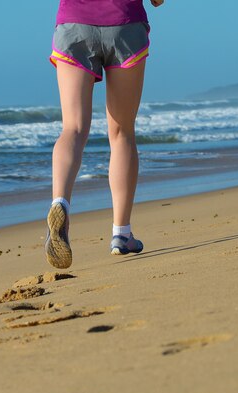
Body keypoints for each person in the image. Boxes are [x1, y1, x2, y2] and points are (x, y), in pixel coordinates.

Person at [45, 0, 165, 269]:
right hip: (124, 24)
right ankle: (121, 234)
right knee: (122, 132)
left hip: (74, 24)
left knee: (73, 128)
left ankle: (60, 201)